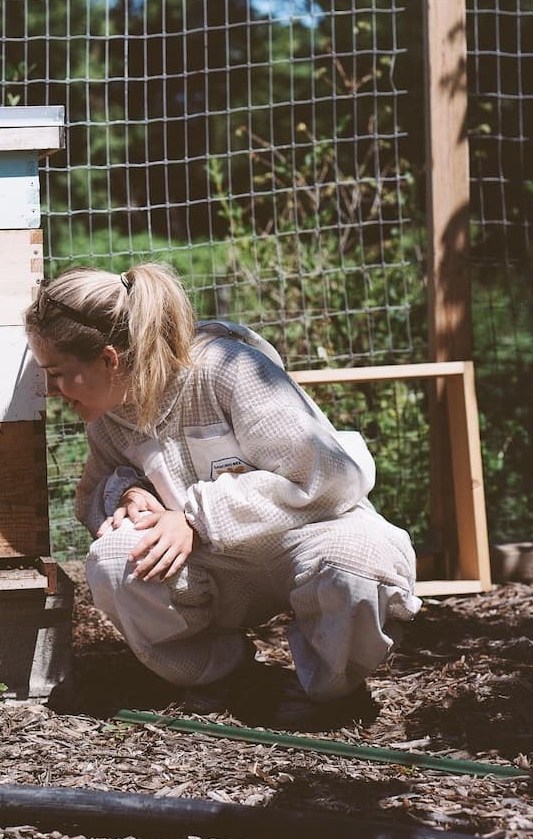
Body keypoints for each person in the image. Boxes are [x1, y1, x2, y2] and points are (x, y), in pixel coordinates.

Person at [24, 261, 421, 728]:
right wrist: (126, 494)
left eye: (56, 372)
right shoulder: (111, 413)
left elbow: (332, 476)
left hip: (309, 540)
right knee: (114, 559)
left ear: (109, 359)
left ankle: (331, 689)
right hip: (218, 569)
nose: (50, 390)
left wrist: (193, 517)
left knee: (357, 564)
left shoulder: (226, 369)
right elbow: (90, 496)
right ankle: (223, 675)